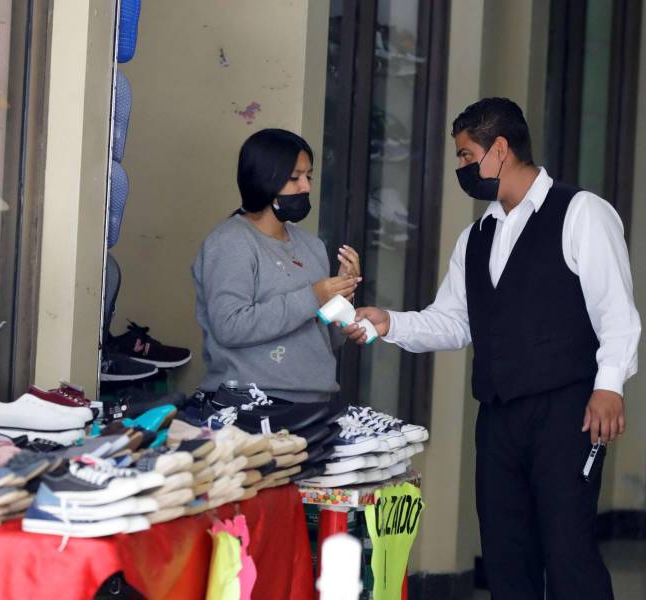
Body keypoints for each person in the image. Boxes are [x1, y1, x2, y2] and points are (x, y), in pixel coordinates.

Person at [345, 97, 640, 600]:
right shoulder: (476, 236)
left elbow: (617, 313)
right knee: (506, 555)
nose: (461, 168)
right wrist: (389, 322)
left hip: (567, 412)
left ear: (499, 149)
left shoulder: (582, 213)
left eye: (465, 156)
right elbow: (453, 322)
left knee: (569, 555)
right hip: (499, 418)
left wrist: (609, 386)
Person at [192, 128, 361, 403]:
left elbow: (325, 336)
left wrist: (341, 295)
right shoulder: (230, 242)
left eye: (309, 176)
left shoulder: (312, 246)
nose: (305, 187)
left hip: (315, 403)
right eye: (294, 178)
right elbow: (229, 325)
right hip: (253, 404)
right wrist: (315, 295)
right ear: (263, 178)